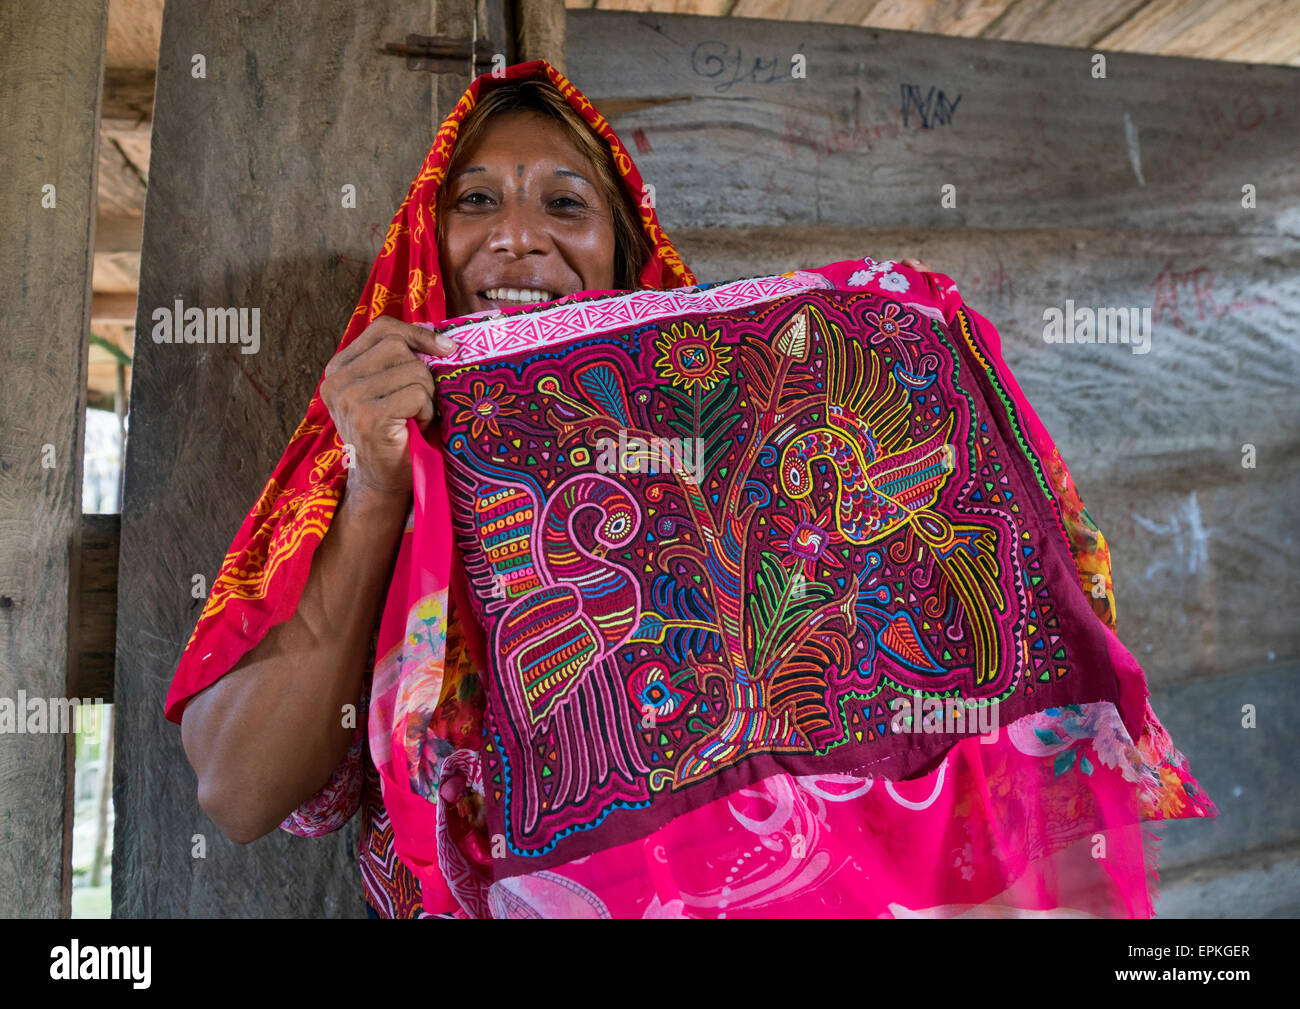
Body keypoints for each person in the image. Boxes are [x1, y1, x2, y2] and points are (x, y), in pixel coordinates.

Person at [168, 61, 1213, 918]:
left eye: (564, 203)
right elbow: (240, 789)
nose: (518, 234)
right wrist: (377, 496)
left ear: (626, 253)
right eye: (475, 200)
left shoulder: (752, 454)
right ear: (422, 242)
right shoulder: (364, 446)